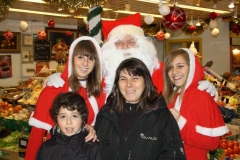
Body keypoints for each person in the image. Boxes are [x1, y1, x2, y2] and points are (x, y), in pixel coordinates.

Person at [47, 13, 217, 99]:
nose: (126, 47)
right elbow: (80, 86)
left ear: (143, 44)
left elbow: (182, 88)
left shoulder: (160, 69)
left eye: (132, 42)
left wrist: (200, 86)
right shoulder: (102, 73)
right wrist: (60, 77)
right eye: (119, 43)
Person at [25, 36, 106, 160]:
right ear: (71, 58)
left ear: (96, 62)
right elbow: (36, 136)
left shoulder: (100, 91)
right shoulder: (54, 89)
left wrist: (94, 128)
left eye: (90, 58)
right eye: (80, 57)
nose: (85, 63)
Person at [95, 57, 186, 160]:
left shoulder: (163, 117)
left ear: (146, 82)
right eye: (123, 79)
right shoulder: (106, 115)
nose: (129, 84)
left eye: (135, 78)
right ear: (117, 84)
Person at [163, 48, 228, 160]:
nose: (174, 71)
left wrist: (180, 124)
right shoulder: (171, 95)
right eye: (170, 67)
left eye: (180, 66)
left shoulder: (202, 96)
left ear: (191, 67)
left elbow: (212, 143)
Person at [36, 92, 101, 160]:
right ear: (56, 120)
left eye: (74, 116)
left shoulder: (92, 149)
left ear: (82, 118)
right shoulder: (46, 148)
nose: (68, 122)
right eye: (63, 116)